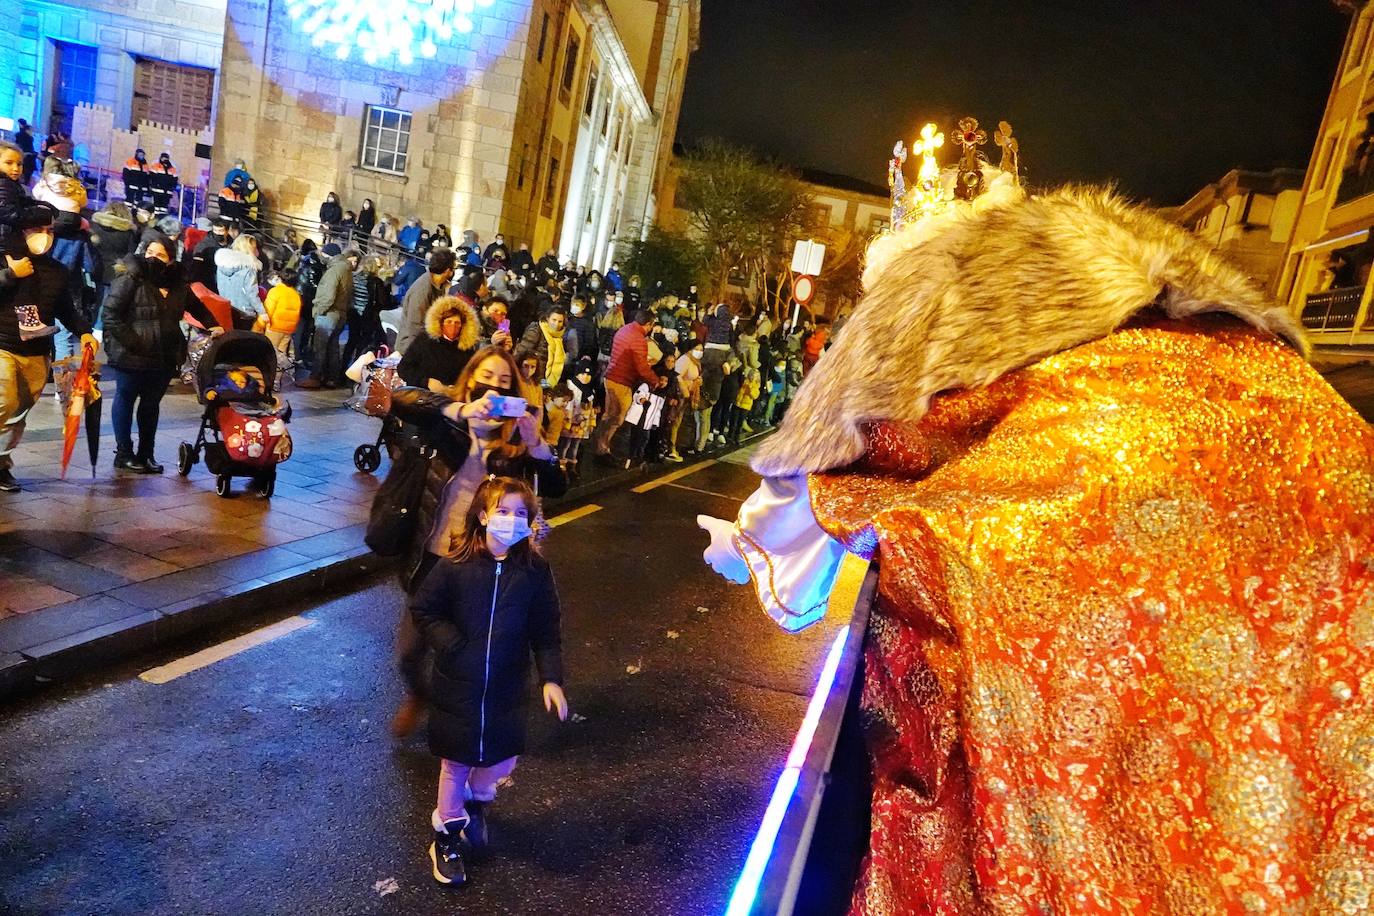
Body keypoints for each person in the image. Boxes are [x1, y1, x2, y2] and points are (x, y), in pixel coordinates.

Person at [694, 176, 1374, 910]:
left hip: (1070, 576)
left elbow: (830, 445)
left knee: (1035, 805)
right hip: (1332, 513)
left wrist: (747, 543)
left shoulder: (937, 291)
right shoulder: (1234, 339)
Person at [386, 346, 567, 736]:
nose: (493, 389)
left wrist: (537, 445)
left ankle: (463, 726)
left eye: (504, 382)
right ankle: (419, 693)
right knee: (409, 650)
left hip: (480, 563)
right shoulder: (446, 424)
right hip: (432, 557)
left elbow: (556, 485)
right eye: (486, 377)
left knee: (466, 650)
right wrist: (461, 410)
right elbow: (400, 397)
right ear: (469, 380)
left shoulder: (515, 441)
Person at [409, 475, 567, 886]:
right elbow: (424, 609)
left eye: (520, 513)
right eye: (503, 511)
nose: (511, 520)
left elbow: (546, 630)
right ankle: (446, 835)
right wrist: (452, 645)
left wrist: (551, 679)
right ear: (482, 516)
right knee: (455, 762)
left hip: (506, 688)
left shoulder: (534, 572)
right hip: (458, 687)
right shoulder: (455, 566)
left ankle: (477, 806)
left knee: (499, 760)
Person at [0, 212, 99, 491]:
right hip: (3, 346)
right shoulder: (5, 260)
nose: (44, 236)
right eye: (36, 228)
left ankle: (1, 464)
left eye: (49, 230)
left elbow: (65, 308)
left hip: (37, 352)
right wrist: (10, 275)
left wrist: (84, 332)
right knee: (3, 402)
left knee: (18, 414)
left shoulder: (57, 271)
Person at [104, 239, 221, 473]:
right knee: (125, 399)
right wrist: (133, 341)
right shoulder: (132, 278)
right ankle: (124, 453)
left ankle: (146, 453)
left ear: (170, 259)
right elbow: (110, 314)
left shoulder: (178, 283)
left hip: (163, 356)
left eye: (160, 254)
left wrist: (213, 325)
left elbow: (197, 307)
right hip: (131, 355)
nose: (153, 258)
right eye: (149, 252)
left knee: (150, 405)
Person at [593, 309, 663, 462]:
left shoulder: (624, 329)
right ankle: (601, 448)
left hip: (611, 375)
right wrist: (655, 380)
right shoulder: (638, 339)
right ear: (648, 324)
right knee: (617, 417)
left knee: (610, 414)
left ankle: (601, 446)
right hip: (622, 380)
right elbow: (641, 367)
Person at [297, 246, 358, 388]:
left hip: (328, 314)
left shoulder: (334, 271)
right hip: (340, 314)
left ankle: (315, 378)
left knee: (320, 348)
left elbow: (328, 295)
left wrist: (318, 311)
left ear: (328, 255)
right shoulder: (346, 270)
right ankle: (331, 378)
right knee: (332, 348)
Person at [397, 295, 481, 394]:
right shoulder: (425, 340)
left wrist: (458, 387)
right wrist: (426, 382)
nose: (453, 326)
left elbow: (471, 375)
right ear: (441, 323)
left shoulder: (467, 348)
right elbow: (404, 368)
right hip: (423, 395)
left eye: (457, 323)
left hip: (453, 397)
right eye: (449, 322)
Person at [395, 247, 458, 355]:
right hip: (410, 348)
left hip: (426, 344)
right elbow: (415, 328)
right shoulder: (422, 290)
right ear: (448, 271)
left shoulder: (440, 286)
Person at [0, 142, 52, 262]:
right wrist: (45, 215)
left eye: (19, 164)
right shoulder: (3, 184)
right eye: (9, 163)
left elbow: (24, 203)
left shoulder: (11, 184)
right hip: (6, 247)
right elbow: (10, 213)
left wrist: (45, 208)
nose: (15, 168)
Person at [340, 254, 391, 372]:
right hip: (368, 316)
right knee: (363, 344)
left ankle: (343, 369)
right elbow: (382, 301)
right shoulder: (376, 281)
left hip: (353, 313)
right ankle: (355, 370)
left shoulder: (353, 277)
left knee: (351, 341)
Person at [90, 201, 137, 312]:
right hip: (116, 273)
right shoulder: (128, 232)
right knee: (107, 305)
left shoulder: (95, 226)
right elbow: (131, 254)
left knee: (93, 302)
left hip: (94, 269)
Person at [215, 234, 263, 330]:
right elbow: (252, 293)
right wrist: (262, 312)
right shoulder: (249, 268)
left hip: (226, 308)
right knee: (241, 337)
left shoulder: (222, 264)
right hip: (244, 312)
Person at [513, 306, 568, 389]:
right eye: (554, 320)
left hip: (544, 380)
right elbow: (522, 352)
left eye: (560, 321)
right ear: (547, 318)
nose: (556, 324)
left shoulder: (559, 338)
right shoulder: (536, 330)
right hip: (530, 376)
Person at [254, 266, 301, 358]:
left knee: (269, 354)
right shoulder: (296, 295)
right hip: (288, 330)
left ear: (281, 278)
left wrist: (258, 327)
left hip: (274, 328)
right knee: (281, 356)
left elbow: (267, 311)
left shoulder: (275, 291)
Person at [292, 238, 324, 363]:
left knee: (300, 327)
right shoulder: (314, 264)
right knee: (304, 328)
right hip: (308, 299)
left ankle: (297, 352)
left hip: (299, 297)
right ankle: (300, 354)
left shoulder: (301, 261)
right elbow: (314, 284)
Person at [187, 218, 231, 292]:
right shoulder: (204, 245)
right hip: (210, 281)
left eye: (220, 231)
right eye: (215, 230)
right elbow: (196, 267)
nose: (217, 233)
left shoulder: (232, 243)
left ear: (227, 231)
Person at [16, 120, 37, 184]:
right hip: (28, 160)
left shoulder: (19, 135)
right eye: (31, 130)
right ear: (27, 130)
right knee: (26, 177)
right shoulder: (27, 138)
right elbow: (29, 149)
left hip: (23, 158)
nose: (32, 132)